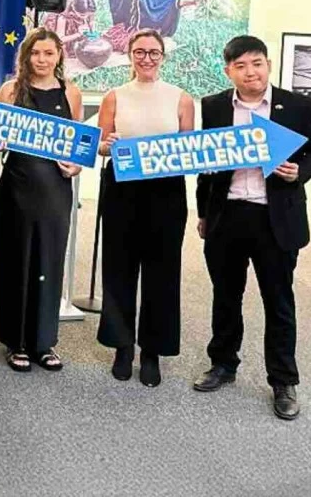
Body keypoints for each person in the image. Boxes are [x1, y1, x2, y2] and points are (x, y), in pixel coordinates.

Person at [193, 35, 311, 420]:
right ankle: (223, 363)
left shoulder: (297, 106)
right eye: (240, 66)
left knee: (278, 300)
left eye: (256, 63)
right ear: (229, 71)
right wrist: (203, 212)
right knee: (225, 295)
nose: (250, 72)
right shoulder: (215, 105)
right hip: (227, 214)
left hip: (275, 218)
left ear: (267, 65)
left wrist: (298, 171)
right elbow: (207, 166)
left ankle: (283, 380)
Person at [95, 30, 195, 387]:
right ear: (130, 55)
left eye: (153, 52)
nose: (147, 58)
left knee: (162, 271)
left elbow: (188, 150)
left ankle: (152, 350)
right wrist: (108, 145)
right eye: (140, 52)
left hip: (166, 192)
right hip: (122, 188)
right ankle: (122, 346)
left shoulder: (181, 99)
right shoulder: (114, 96)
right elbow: (100, 146)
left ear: (163, 56)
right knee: (119, 268)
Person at [0, 28, 84, 372]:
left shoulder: (71, 92)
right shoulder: (10, 90)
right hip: (17, 187)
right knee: (17, 260)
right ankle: (14, 340)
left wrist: (76, 165)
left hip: (55, 190)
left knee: (49, 262)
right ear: (26, 56)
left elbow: (78, 145)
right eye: (35, 53)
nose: (42, 59)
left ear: (59, 55)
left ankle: (43, 341)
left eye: (48, 53)